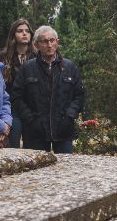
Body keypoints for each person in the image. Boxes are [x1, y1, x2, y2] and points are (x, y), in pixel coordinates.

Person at [10, 25, 84, 154]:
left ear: (57, 42)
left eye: (52, 40)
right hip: (35, 132)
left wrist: (70, 116)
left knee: (66, 170)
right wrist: (30, 119)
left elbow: (79, 95)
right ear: (36, 45)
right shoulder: (27, 68)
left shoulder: (70, 67)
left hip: (63, 130)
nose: (49, 45)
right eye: (44, 41)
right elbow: (17, 97)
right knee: (34, 170)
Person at [0, 18, 36, 148]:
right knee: (12, 147)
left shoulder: (37, 57)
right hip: (12, 109)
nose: (24, 33)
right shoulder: (4, 57)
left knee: (33, 150)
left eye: (27, 31)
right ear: (13, 34)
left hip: (32, 109)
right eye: (20, 31)